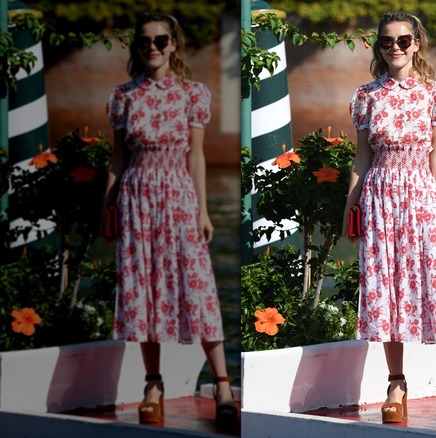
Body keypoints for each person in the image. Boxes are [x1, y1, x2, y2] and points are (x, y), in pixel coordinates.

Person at [343, 11, 436, 427]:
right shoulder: (367, 95)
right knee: (387, 289)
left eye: (403, 40)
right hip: (379, 197)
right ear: (379, 46)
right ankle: (396, 385)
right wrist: (350, 206)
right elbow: (363, 155)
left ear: (417, 43)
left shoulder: (435, 93)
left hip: (420, 194)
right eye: (387, 41)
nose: (395, 47)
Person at [103, 12, 237, 427]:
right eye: (145, 41)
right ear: (136, 47)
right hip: (136, 198)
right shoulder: (123, 96)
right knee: (143, 290)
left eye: (161, 40)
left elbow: (196, 155)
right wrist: (108, 205)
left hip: (177, 195)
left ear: (174, 44)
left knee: (196, 287)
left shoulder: (192, 94)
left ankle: (222, 385)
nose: (153, 47)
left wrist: (203, 210)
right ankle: (153, 385)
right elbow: (118, 157)